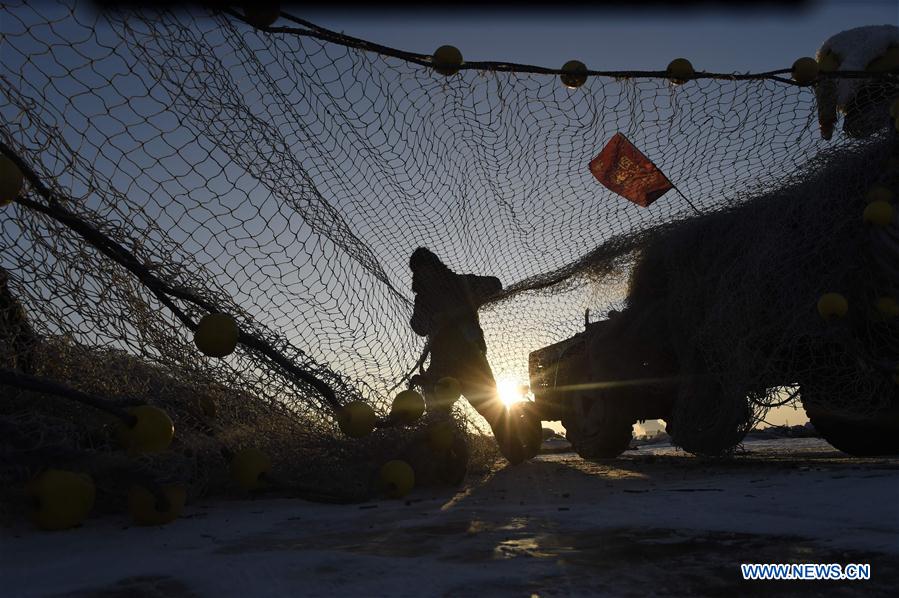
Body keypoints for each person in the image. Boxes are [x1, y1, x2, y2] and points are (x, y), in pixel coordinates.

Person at [408, 247, 541, 465]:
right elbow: (418, 326)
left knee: (491, 408)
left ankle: (514, 451)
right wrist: (434, 319)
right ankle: (444, 460)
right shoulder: (423, 299)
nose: (422, 274)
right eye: (417, 271)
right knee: (437, 413)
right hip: (441, 363)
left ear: (435, 266)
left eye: (426, 268)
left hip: (471, 359)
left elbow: (495, 284)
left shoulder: (461, 283)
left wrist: (462, 307)